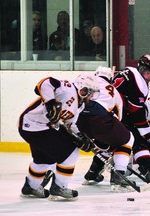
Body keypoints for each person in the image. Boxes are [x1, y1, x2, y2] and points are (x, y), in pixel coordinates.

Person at [18, 72, 100, 200]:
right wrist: (50, 104)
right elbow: (45, 83)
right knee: (71, 152)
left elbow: (69, 124)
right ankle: (59, 187)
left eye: (92, 93)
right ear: (81, 88)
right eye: (88, 91)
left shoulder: (80, 104)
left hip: (36, 126)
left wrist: (81, 137)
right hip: (33, 124)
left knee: (44, 159)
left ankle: (31, 186)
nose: (91, 95)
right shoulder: (68, 89)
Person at [76, 66, 135, 192]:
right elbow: (118, 117)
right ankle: (118, 177)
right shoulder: (114, 90)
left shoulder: (87, 82)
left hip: (79, 120)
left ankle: (92, 173)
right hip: (100, 119)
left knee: (107, 144)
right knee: (127, 139)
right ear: (111, 78)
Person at [113, 54, 150, 185]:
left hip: (112, 111)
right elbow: (136, 115)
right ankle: (139, 172)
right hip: (115, 114)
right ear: (141, 69)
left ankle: (93, 172)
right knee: (134, 139)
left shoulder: (127, 71)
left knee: (118, 141)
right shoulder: (139, 84)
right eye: (148, 73)